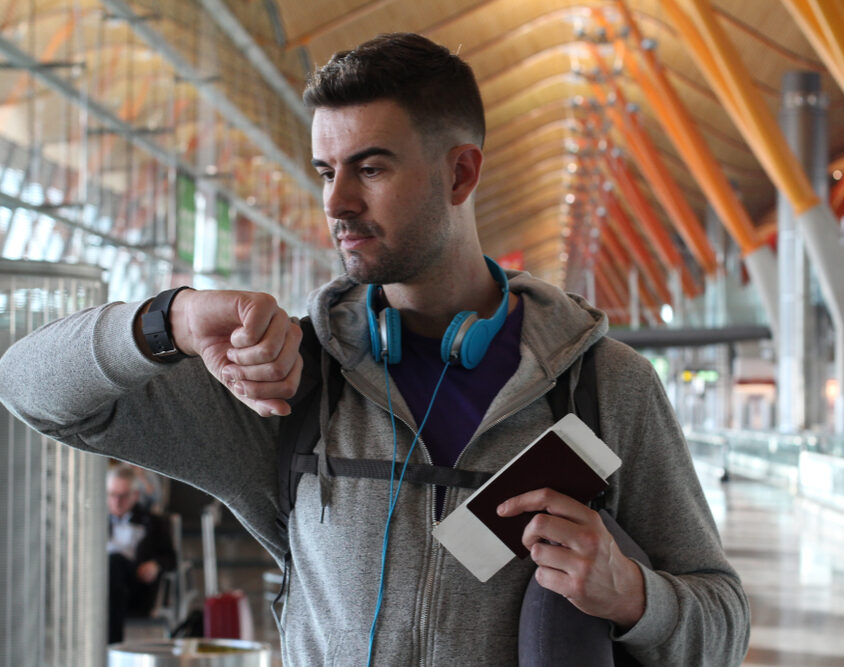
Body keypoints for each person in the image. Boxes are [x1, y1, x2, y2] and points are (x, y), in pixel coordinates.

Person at [0, 33, 749, 665]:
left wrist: (633, 595)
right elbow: (28, 385)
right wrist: (169, 318)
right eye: (327, 171)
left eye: (371, 167)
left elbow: (722, 621)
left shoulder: (602, 387)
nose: (335, 202)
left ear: (461, 172)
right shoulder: (292, 382)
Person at [106, 463, 176, 644]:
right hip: (101, 587)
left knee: (114, 561)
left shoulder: (153, 523)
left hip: (137, 588)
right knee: (111, 564)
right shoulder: (95, 521)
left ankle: (111, 647)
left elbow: (171, 558)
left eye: (122, 496)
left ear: (135, 495)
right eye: (112, 495)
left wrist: (156, 565)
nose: (116, 502)